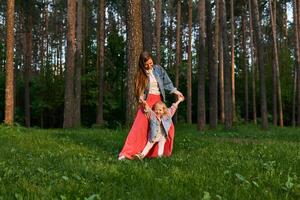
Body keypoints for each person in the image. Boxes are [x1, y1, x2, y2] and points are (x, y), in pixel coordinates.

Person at [118, 51, 184, 160]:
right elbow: (139, 91)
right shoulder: (140, 74)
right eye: (146, 65)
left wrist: (176, 91)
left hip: (158, 102)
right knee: (139, 128)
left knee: (167, 126)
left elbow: (167, 83)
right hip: (147, 102)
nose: (149, 66)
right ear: (142, 65)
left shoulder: (158, 69)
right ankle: (126, 153)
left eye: (150, 63)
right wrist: (141, 99)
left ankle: (158, 153)